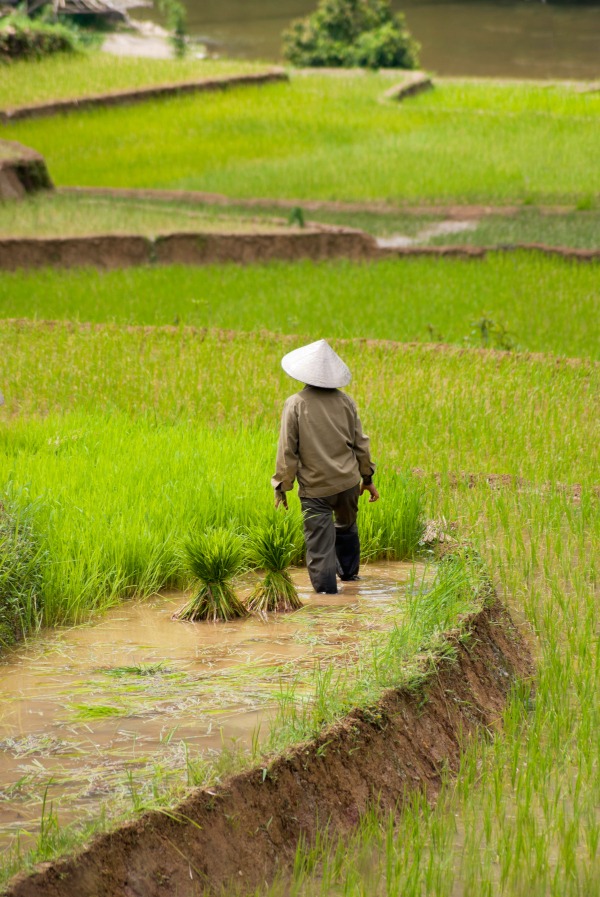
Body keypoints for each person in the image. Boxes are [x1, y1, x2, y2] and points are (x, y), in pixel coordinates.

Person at [271, 339, 379, 594]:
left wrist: (281, 486)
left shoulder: (296, 403)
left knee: (319, 547)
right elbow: (361, 444)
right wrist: (368, 478)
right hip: (349, 484)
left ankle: (328, 602)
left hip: (316, 490)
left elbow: (288, 450)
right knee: (346, 528)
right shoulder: (346, 401)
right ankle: (350, 581)